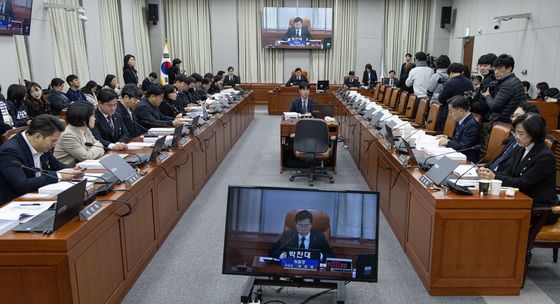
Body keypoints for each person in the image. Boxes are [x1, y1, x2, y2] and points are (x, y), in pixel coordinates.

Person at [478, 114, 558, 225]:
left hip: (539, 210)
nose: (516, 137)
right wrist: (489, 173)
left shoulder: (545, 157)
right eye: (515, 133)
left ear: (534, 134)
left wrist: (495, 176)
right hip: (520, 200)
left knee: (492, 215)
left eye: (521, 133)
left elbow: (523, 183)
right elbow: (510, 174)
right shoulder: (521, 149)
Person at [0, 114, 84, 205]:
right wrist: (59, 176)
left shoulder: (42, 146)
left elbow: (57, 165)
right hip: (15, 203)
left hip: (39, 196)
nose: (54, 145)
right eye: (53, 141)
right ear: (37, 137)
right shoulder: (10, 151)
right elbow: (22, 185)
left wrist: (73, 171)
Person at [485, 102, 540, 173]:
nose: (513, 119)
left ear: (530, 121)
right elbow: (499, 159)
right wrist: (484, 168)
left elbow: (513, 174)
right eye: (513, 116)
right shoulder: (513, 137)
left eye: (518, 116)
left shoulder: (527, 145)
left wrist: (493, 175)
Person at [268, 210, 335, 262]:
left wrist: (319, 256)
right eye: (300, 225)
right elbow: (273, 252)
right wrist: (283, 255)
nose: (303, 228)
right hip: (291, 270)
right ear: (296, 225)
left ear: (311, 225)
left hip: (312, 271)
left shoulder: (319, 237)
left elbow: (331, 256)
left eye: (306, 225)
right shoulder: (288, 235)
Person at [54, 102, 105, 166]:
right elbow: (86, 157)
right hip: (69, 170)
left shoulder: (85, 129)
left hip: (84, 166)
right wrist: (99, 147)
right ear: (83, 119)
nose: (95, 118)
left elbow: (98, 146)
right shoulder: (68, 135)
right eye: (92, 116)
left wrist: (98, 147)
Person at [481, 54, 526, 124]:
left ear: (509, 69)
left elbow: (494, 107)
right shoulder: (513, 81)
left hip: (503, 122)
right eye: (495, 69)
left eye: (499, 69)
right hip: (510, 121)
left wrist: (487, 95)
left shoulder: (508, 84)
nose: (496, 72)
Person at [435, 96, 480, 162]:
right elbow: (458, 140)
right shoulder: (463, 120)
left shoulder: (472, 125)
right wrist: (446, 137)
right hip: (457, 155)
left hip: (467, 160)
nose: (449, 114)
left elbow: (463, 147)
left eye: (451, 111)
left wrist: (448, 142)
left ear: (460, 110)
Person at [436, 63, 473, 131]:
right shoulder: (469, 82)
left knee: (444, 133)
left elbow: (441, 99)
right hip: (464, 114)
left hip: (449, 113)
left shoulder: (450, 83)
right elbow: (470, 98)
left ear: (451, 72)